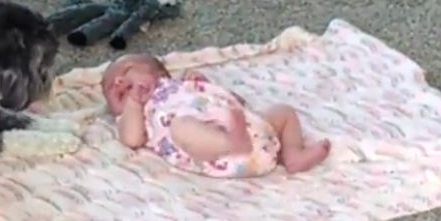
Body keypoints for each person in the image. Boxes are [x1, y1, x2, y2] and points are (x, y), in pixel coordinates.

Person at [101, 53, 330, 178]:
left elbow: (237, 103)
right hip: (219, 156)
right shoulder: (134, 114)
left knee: (283, 112)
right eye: (111, 89)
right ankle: (229, 143)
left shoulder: (183, 86)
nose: (118, 82)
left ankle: (293, 155)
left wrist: (206, 87)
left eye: (125, 71)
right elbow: (132, 139)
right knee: (182, 127)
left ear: (160, 74)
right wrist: (132, 104)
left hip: (253, 132)